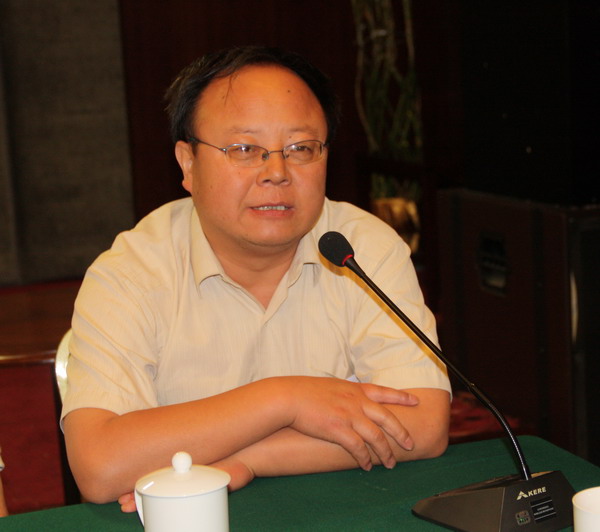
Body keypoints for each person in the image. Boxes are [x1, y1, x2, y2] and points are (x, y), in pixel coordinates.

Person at [61, 45, 451, 510]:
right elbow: (101, 468)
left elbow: (423, 426)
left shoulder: (360, 249)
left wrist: (246, 459)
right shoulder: (130, 272)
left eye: (301, 149)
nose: (277, 173)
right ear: (188, 163)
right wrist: (286, 398)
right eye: (244, 149)